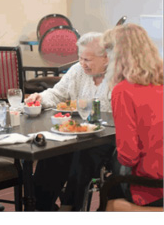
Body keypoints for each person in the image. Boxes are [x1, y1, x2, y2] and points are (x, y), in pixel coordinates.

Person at [25, 32, 111, 210]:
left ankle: (70, 207)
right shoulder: (77, 71)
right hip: (75, 134)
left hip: (107, 138)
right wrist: (40, 98)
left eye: (88, 59)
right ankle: (42, 207)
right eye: (80, 58)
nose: (82, 64)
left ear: (106, 58)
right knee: (51, 153)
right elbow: (56, 94)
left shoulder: (119, 76)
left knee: (81, 157)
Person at [100, 24, 163, 210]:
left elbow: (128, 156)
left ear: (116, 55)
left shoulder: (123, 91)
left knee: (109, 196)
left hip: (150, 184)